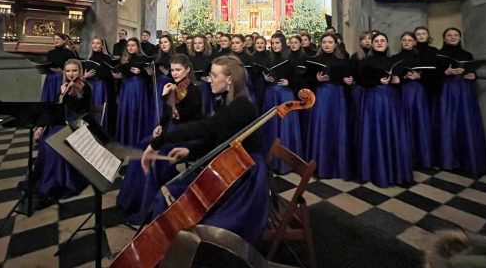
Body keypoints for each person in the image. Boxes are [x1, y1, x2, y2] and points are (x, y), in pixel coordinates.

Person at [141, 56, 269, 244]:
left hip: (244, 178)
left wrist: (157, 143)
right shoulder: (230, 99)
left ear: (229, 79)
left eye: (214, 75)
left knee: (172, 195)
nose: (209, 79)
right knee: (172, 192)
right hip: (231, 165)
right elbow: (216, 139)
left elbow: (205, 128)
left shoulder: (241, 106)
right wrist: (190, 152)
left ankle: (172, 247)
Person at [118, 54, 203, 224]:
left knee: (153, 155)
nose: (175, 73)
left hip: (184, 134)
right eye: (172, 70)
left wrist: (166, 97)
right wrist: (160, 125)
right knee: (142, 145)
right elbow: (167, 115)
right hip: (169, 130)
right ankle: (133, 200)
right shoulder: (174, 87)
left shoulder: (194, 90)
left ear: (187, 69)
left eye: (178, 70)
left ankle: (151, 205)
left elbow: (181, 116)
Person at [357, 32, 413, 187]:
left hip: (392, 99)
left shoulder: (394, 61)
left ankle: (395, 170)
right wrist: (376, 81)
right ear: (372, 44)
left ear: (387, 44)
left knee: (393, 131)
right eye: (376, 41)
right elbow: (361, 81)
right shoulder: (365, 61)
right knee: (374, 131)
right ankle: (373, 171)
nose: (380, 43)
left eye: (383, 40)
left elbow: (401, 80)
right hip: (373, 99)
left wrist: (398, 80)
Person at [34, 59, 90, 205]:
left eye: (75, 71)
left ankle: (60, 184)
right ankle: (49, 181)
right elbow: (52, 109)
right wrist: (40, 126)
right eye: (68, 71)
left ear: (80, 71)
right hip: (59, 122)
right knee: (46, 141)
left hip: (77, 124)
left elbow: (82, 110)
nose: (71, 74)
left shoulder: (86, 87)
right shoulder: (63, 86)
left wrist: (69, 94)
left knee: (55, 144)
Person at [435, 28, 486, 175]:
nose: (453, 37)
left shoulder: (467, 54)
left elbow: (472, 71)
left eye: (456, 35)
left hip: (464, 90)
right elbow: (433, 77)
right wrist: (445, 72)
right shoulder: (438, 54)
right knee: (448, 122)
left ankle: (468, 159)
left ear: (460, 38)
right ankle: (449, 160)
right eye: (449, 35)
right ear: (444, 38)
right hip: (447, 91)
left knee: (466, 122)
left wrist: (472, 75)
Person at [304, 34, 354, 179]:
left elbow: (349, 77)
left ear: (335, 44)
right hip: (321, 95)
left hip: (337, 96)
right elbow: (306, 79)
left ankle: (338, 165)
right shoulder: (315, 60)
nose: (327, 45)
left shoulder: (343, 61)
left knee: (336, 127)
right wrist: (316, 79)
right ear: (321, 44)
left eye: (330, 42)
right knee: (322, 126)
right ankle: (319, 165)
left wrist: (349, 80)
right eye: (324, 42)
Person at [261, 33, 303, 174]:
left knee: (285, 127)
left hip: (285, 94)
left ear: (283, 44)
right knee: (271, 125)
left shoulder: (290, 59)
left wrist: (289, 82)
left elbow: (298, 78)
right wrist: (266, 79)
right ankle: (271, 161)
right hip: (271, 94)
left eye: (277, 43)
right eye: (272, 43)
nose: (275, 46)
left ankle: (286, 162)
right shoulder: (268, 59)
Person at [392, 31, 433, 168]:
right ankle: (406, 156)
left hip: (417, 92)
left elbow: (430, 75)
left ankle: (421, 157)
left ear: (415, 42)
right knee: (404, 122)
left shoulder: (421, 58)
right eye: (404, 40)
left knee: (419, 122)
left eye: (410, 40)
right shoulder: (395, 58)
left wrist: (419, 76)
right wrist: (400, 79)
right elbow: (392, 74)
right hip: (401, 92)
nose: (407, 42)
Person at [113, 38, 154, 147]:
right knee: (126, 112)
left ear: (138, 47)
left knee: (136, 112)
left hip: (139, 88)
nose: (130, 47)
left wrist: (141, 72)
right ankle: (125, 142)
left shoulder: (144, 59)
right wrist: (117, 77)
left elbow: (150, 79)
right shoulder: (125, 59)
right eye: (128, 45)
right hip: (126, 88)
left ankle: (138, 141)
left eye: (133, 45)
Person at [83, 37, 112, 127]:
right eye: (93, 43)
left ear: (102, 45)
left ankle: (98, 128)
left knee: (98, 107)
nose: (95, 45)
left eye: (98, 43)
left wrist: (100, 74)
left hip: (100, 85)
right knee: (88, 106)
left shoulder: (106, 58)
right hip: (89, 84)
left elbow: (109, 75)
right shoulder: (88, 58)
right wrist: (85, 76)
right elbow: (83, 74)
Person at [43, 33, 79, 102]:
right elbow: (48, 64)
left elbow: (75, 65)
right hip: (50, 78)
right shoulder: (50, 52)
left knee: (60, 98)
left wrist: (62, 71)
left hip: (62, 77)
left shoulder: (69, 53)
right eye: (54, 39)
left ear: (64, 41)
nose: (56, 41)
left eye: (58, 39)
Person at [189, 34, 214, 115]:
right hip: (191, 87)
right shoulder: (188, 58)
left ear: (205, 44)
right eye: (195, 43)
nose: (197, 45)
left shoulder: (210, 58)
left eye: (200, 43)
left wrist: (209, 78)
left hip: (205, 88)